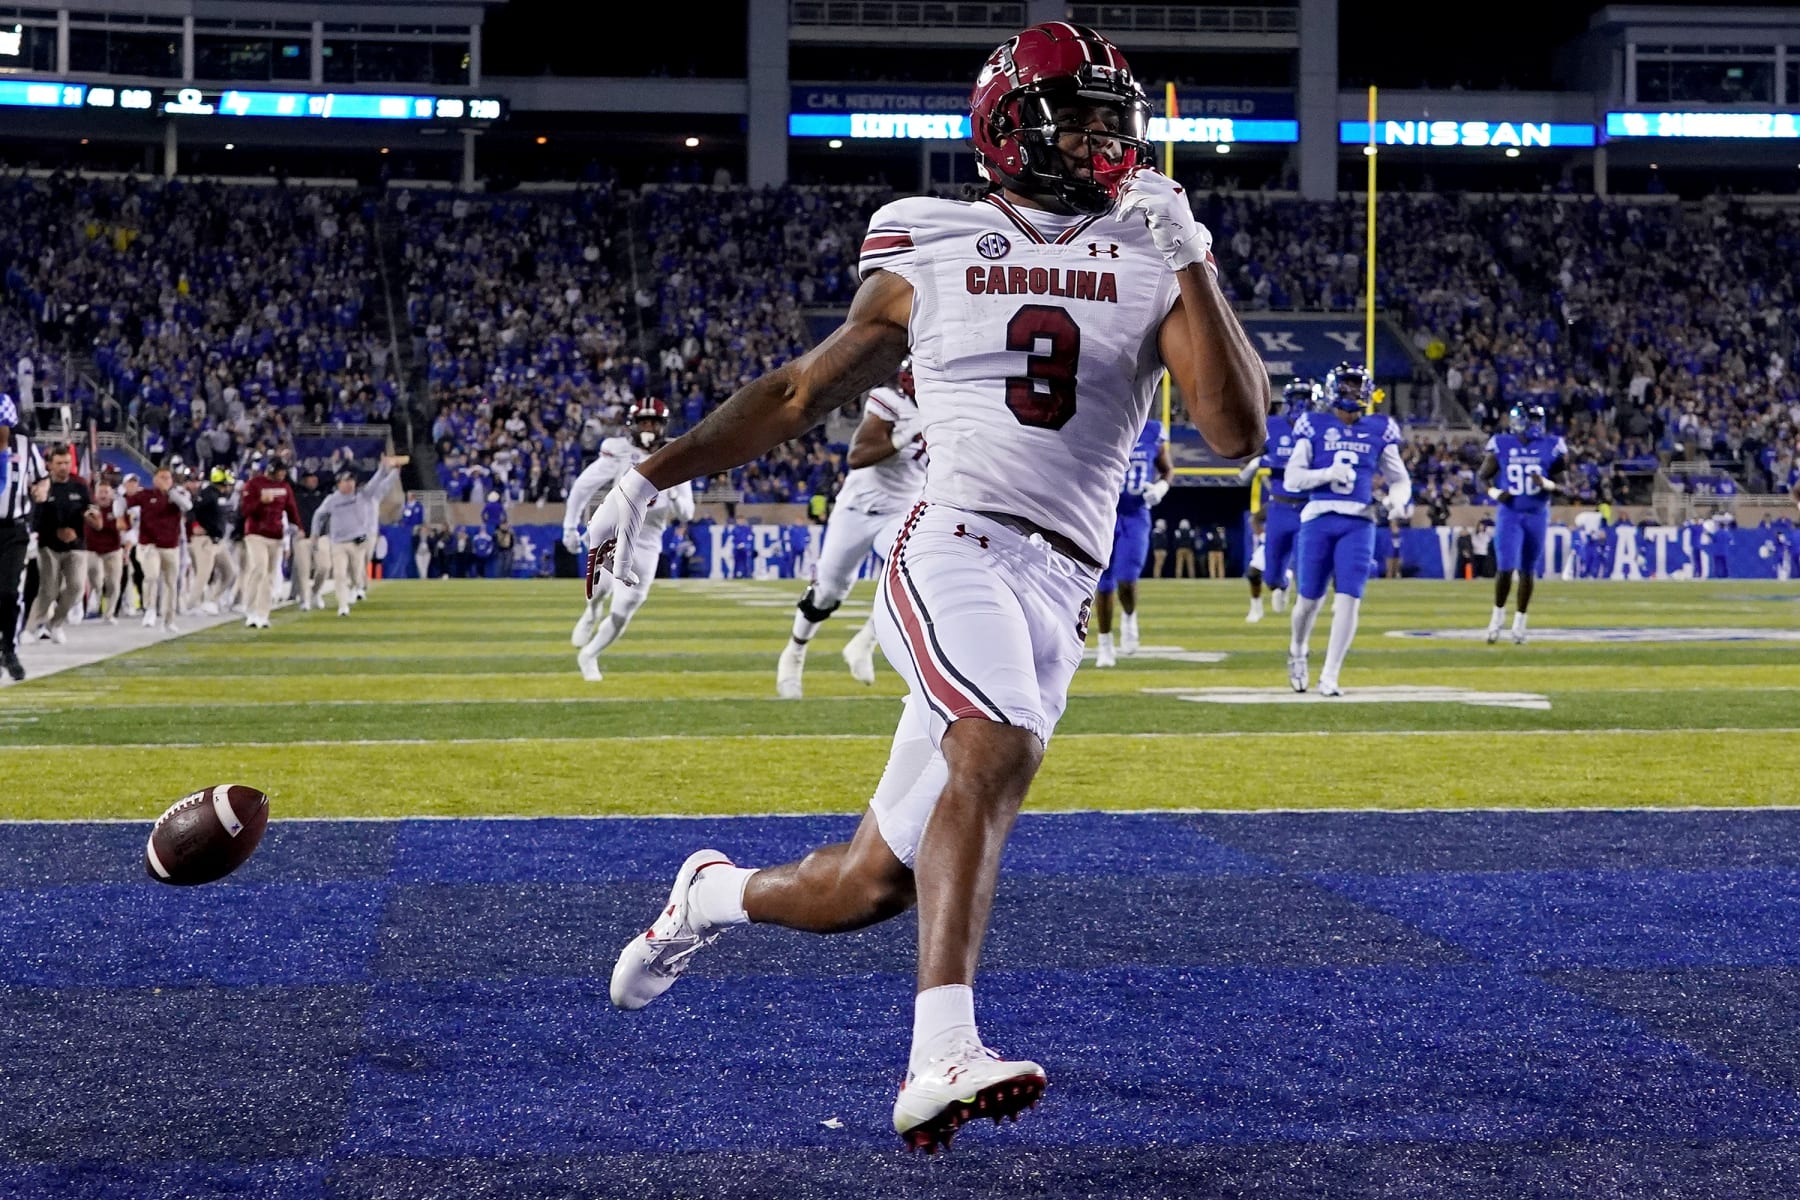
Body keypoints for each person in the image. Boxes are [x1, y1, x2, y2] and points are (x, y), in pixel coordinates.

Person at [581, 21, 1264, 1152]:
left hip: (1059, 586)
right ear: (1008, 128)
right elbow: (802, 391)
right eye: (1078, 115)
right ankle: (941, 1050)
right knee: (992, 747)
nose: (1106, 136)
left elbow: (1236, 431)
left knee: (867, 888)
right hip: (953, 541)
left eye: (1114, 116)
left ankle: (705, 895)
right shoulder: (932, 237)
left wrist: (1189, 251)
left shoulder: (1153, 248)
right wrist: (651, 476)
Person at [776, 365, 926, 697]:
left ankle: (865, 642)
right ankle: (794, 654)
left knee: (920, 572)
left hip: (900, 513)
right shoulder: (889, 402)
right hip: (856, 510)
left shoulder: (949, 413)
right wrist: (904, 435)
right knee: (827, 593)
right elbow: (858, 456)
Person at [1284, 362, 1410, 696]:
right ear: (1333, 389)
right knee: (1308, 601)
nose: (1353, 392)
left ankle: (1330, 675)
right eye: (1347, 386)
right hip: (1319, 517)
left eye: (1358, 386)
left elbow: (1400, 480)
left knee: (1349, 599)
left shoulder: (1380, 428)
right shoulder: (1313, 424)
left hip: (1360, 521)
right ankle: (1297, 650)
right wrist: (1327, 474)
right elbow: (1292, 479)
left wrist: (1393, 504)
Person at [562, 400, 695, 683]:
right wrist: (568, 526)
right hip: (615, 530)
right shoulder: (620, 451)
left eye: (653, 423)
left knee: (623, 612)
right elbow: (582, 487)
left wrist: (671, 492)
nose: (648, 428)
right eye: (643, 422)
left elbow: (687, 512)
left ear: (662, 426)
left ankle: (589, 654)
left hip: (648, 540)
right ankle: (592, 612)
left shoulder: (678, 453)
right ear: (633, 425)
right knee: (599, 590)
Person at [1477, 402, 1567, 645]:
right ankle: (1496, 618)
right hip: (1510, 513)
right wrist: (1496, 494)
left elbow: (1564, 487)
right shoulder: (1502, 443)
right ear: (1519, 421)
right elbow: (1482, 477)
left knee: (1527, 571)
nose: (1536, 425)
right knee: (1505, 568)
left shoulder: (1552, 445)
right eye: (1532, 420)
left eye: (1538, 419)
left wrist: (1546, 484)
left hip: (1537, 514)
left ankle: (1520, 623)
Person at [1092, 417, 1171, 667]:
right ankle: (1105, 643)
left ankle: (1129, 616)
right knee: (1103, 584)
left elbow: (1167, 470)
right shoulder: (1100, 420)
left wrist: (1160, 489)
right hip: (1104, 513)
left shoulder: (1153, 431)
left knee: (1127, 580)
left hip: (1135, 513)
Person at [1239, 380, 1318, 621]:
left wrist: (1272, 462)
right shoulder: (1272, 426)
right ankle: (1282, 583)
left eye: (1305, 398)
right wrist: (1255, 462)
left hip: (1308, 506)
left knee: (1309, 569)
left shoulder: (1321, 428)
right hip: (1280, 507)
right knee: (1270, 577)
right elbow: (1246, 460)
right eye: (1297, 398)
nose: (1300, 404)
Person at [310, 456, 402, 616]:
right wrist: (315, 533)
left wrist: (385, 469)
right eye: (346, 481)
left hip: (359, 539)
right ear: (339, 484)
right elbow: (319, 515)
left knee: (357, 570)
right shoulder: (332, 500)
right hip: (338, 542)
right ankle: (343, 605)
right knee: (339, 574)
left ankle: (356, 586)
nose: (350, 483)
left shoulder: (363, 495)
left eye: (352, 481)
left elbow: (378, 483)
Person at [0, 396, 48, 679]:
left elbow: (42, 477)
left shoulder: (25, 446)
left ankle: (9, 648)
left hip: (14, 529)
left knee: (8, 591)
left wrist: (42, 489)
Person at [25, 445, 91, 644]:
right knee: (48, 589)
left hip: (76, 545)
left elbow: (89, 510)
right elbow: (34, 519)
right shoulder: (43, 486)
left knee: (77, 587)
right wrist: (55, 531)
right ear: (49, 465)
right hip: (49, 545)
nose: (64, 467)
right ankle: (31, 627)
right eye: (59, 463)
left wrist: (85, 525)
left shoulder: (80, 485)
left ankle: (55, 623)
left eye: (67, 462)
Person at [124, 466, 192, 633]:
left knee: (171, 584)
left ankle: (169, 619)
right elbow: (126, 502)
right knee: (152, 575)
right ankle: (150, 608)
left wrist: (171, 494)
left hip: (171, 546)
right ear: (154, 479)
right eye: (161, 477)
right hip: (149, 544)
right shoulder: (146, 495)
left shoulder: (178, 495)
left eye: (168, 478)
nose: (165, 481)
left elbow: (187, 506)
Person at [241, 456, 302, 629]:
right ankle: (250, 610)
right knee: (259, 568)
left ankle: (263, 613)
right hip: (256, 533)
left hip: (276, 535)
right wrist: (260, 501)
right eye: (280, 471)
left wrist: (298, 526)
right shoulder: (254, 484)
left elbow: (291, 509)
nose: (282, 475)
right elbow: (245, 510)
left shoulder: (285, 487)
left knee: (270, 575)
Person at [183, 467, 231, 615]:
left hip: (218, 541)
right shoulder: (207, 494)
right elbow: (190, 510)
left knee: (230, 572)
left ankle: (211, 601)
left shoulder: (219, 495)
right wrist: (195, 525)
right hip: (205, 540)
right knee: (203, 574)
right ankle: (191, 606)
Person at [83, 474, 127, 624]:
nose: (103, 495)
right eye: (100, 492)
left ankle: (109, 614)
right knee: (97, 578)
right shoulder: (89, 508)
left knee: (114, 583)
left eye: (106, 492)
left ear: (111, 494)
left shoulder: (117, 508)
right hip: (92, 549)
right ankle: (96, 594)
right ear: (95, 494)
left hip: (113, 549)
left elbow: (124, 526)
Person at [292, 466, 329, 610]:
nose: (314, 479)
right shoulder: (297, 493)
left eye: (315, 477)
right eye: (310, 477)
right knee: (303, 569)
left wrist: (344, 462)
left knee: (324, 567)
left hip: (320, 537)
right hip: (302, 536)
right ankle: (304, 599)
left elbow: (334, 479)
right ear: (303, 480)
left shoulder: (323, 494)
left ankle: (315, 592)